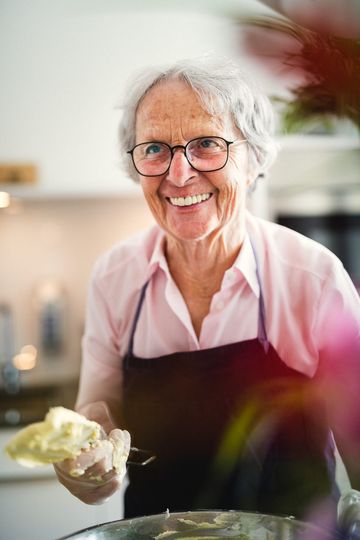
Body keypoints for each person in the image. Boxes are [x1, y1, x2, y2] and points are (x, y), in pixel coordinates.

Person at [55, 56, 360, 523]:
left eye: (206, 144)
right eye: (155, 149)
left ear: (253, 156)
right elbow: (97, 433)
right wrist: (89, 467)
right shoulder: (114, 278)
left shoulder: (313, 278)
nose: (179, 175)